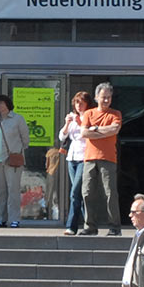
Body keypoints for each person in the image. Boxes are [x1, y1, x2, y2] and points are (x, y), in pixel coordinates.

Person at [80, 81, 124, 235]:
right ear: (96, 97)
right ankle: (90, 226)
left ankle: (114, 226)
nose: (106, 100)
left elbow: (115, 129)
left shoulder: (115, 114)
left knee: (110, 192)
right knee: (87, 191)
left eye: (109, 97)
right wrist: (103, 131)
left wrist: (95, 129)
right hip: (89, 158)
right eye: (104, 97)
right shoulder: (88, 114)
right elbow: (84, 133)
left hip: (108, 158)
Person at [0, 94, 29, 227]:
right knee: (0, 191)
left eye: (1, 103)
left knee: (13, 189)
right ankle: (1, 218)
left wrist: (17, 151)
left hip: (12, 160)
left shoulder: (18, 119)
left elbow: (25, 139)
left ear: (8, 104)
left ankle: (14, 218)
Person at [59, 91, 90, 234]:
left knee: (74, 192)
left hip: (84, 156)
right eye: (77, 102)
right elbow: (62, 136)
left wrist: (80, 122)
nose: (79, 105)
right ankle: (89, 223)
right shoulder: (72, 117)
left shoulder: (89, 116)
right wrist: (67, 123)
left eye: (82, 102)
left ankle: (71, 226)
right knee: (79, 194)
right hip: (71, 157)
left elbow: (89, 134)